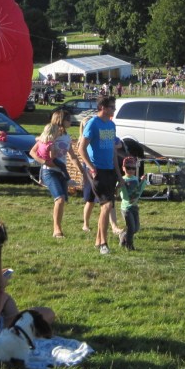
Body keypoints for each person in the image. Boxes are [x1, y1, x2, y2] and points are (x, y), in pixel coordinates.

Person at [77, 95, 123, 255]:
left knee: (107, 205)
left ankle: (98, 241)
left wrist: (119, 175)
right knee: (107, 205)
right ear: (102, 107)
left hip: (110, 170)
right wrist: (91, 168)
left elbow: (112, 151)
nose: (114, 110)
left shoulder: (111, 125)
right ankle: (104, 243)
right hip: (97, 170)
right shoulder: (92, 124)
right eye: (111, 107)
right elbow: (81, 149)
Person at [30, 110, 75, 238]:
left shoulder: (67, 137)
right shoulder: (50, 134)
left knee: (62, 201)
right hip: (49, 171)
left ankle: (58, 227)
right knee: (59, 199)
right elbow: (33, 152)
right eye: (68, 119)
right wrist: (45, 162)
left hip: (61, 171)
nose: (70, 121)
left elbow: (72, 156)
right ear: (61, 120)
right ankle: (57, 230)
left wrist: (83, 170)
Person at [118, 156, 147, 250]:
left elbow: (137, 191)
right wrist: (118, 186)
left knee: (136, 228)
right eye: (128, 168)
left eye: (133, 168)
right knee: (131, 227)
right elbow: (117, 193)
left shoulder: (135, 179)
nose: (130, 170)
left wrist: (142, 181)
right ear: (123, 168)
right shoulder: (122, 180)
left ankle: (123, 235)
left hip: (134, 206)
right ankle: (129, 245)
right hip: (126, 208)